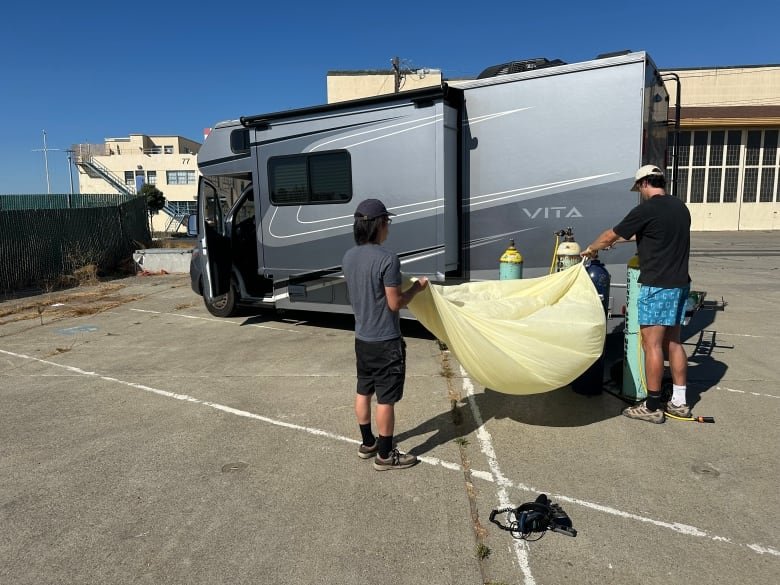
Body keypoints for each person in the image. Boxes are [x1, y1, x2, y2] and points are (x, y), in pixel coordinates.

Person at [581, 165, 691, 424]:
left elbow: (609, 234)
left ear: (643, 184)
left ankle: (652, 405)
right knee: (673, 342)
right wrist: (620, 241)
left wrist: (592, 248)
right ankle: (679, 401)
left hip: (656, 285)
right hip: (680, 283)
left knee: (650, 344)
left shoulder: (646, 209)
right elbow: (655, 235)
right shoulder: (679, 207)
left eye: (638, 188)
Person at [342, 198, 429, 469]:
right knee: (386, 400)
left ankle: (368, 442)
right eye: (387, 222)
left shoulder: (349, 256)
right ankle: (384, 455)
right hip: (385, 341)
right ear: (379, 224)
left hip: (362, 339)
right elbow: (395, 303)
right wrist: (417, 288)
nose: (388, 227)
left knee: (363, 391)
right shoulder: (388, 259)